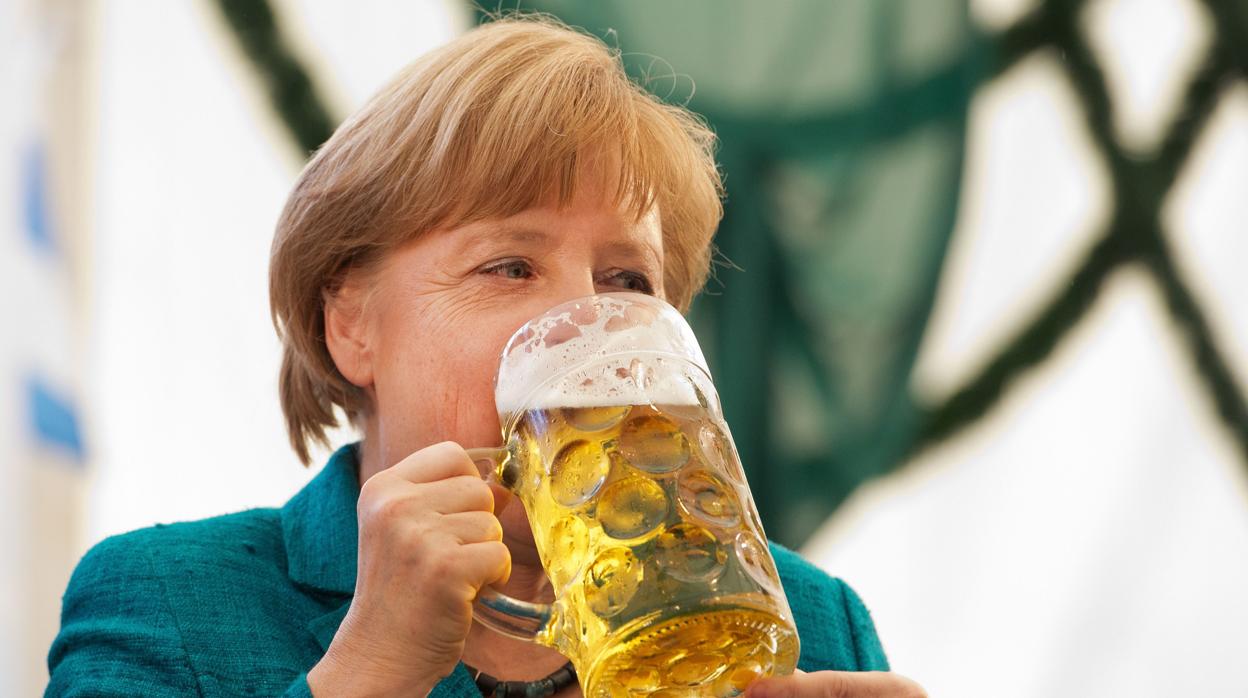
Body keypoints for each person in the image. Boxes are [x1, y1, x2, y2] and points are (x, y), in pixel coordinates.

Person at [46, 16, 925, 698]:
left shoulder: (813, 624)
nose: (587, 319)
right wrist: (368, 672)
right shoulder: (167, 601)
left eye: (627, 280)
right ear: (352, 323)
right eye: (510, 266)